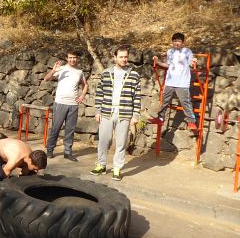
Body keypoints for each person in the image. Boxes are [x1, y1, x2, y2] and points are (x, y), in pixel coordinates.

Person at [92, 45, 141, 181]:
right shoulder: (106, 73)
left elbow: (137, 96)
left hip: (124, 113)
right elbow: (99, 93)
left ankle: (117, 168)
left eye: (126, 57)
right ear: (115, 58)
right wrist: (98, 111)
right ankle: (101, 165)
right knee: (103, 140)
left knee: (121, 142)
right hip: (107, 112)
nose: (124, 59)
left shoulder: (134, 75)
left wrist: (135, 115)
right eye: (121, 57)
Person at [43, 50, 88, 161]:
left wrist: (82, 95)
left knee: (70, 130)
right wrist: (53, 70)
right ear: (67, 58)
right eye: (70, 57)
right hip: (60, 103)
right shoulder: (61, 69)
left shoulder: (79, 72)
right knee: (56, 128)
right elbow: (46, 79)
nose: (72, 59)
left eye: (74, 57)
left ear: (77, 58)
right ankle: (50, 150)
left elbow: (85, 85)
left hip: (73, 104)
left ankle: (67, 152)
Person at [0, 138, 47, 215]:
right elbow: (5, 175)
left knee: (31, 173)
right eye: (36, 168)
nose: (37, 170)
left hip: (9, 152)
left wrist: (24, 174)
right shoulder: (17, 159)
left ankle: (22, 200)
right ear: (30, 161)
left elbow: (26, 171)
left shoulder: (32, 156)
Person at [150, 32, 197, 131]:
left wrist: (194, 62)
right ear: (172, 42)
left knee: (185, 102)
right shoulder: (170, 52)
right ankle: (160, 118)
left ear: (183, 42)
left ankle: (191, 122)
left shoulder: (187, 51)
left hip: (182, 82)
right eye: (175, 41)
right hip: (170, 82)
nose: (176, 43)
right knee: (165, 101)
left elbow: (191, 64)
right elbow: (169, 65)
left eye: (179, 41)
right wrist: (157, 62)